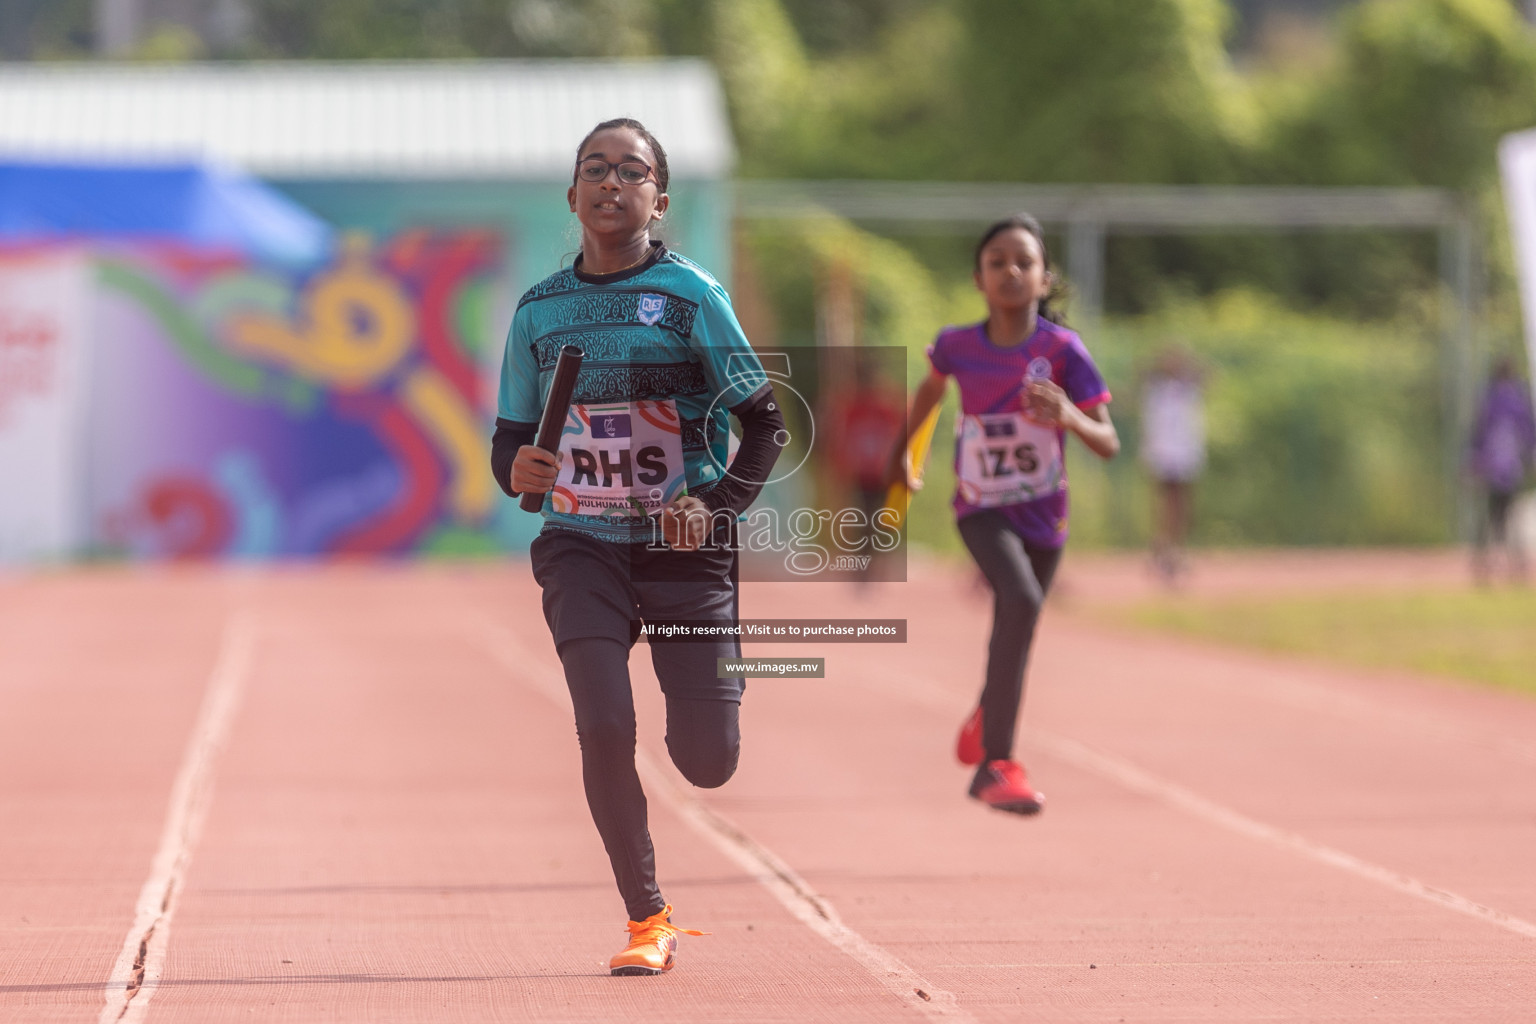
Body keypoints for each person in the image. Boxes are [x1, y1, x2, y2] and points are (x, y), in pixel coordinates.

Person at [490, 118, 785, 975]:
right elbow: (508, 443)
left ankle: (711, 682)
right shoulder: (540, 310)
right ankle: (645, 917)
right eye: (595, 169)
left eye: (631, 171)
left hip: (680, 547)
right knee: (603, 722)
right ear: (573, 194)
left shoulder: (691, 296)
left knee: (707, 762)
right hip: (581, 544)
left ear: (659, 197)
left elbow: (762, 422)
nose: (611, 183)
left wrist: (718, 503)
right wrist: (522, 469)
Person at [890, 213, 1118, 815]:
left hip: (1046, 515)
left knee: (1022, 624)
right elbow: (930, 393)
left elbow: (1108, 441)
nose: (1011, 271)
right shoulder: (958, 346)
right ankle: (997, 764)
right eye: (998, 262)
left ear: (1045, 279)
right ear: (979, 279)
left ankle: (990, 713)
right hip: (981, 508)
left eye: (1025, 262)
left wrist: (1067, 414)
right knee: (1017, 602)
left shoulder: (1063, 351)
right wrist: (904, 456)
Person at [1139, 345, 1205, 583]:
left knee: (1182, 502)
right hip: (1162, 450)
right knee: (1165, 501)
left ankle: (1172, 547)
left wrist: (1186, 365)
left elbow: (1207, 375)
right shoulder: (1156, 388)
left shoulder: (1187, 387)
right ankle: (1163, 547)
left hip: (1184, 450)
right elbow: (1141, 372)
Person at [1468, 355, 1536, 584]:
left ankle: (1485, 563)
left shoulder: (1489, 398)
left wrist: (1475, 460)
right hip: (1511, 467)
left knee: (1493, 516)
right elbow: (1528, 432)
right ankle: (1514, 565)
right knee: (1510, 515)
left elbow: (1478, 432)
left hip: (1493, 466)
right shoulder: (1518, 399)